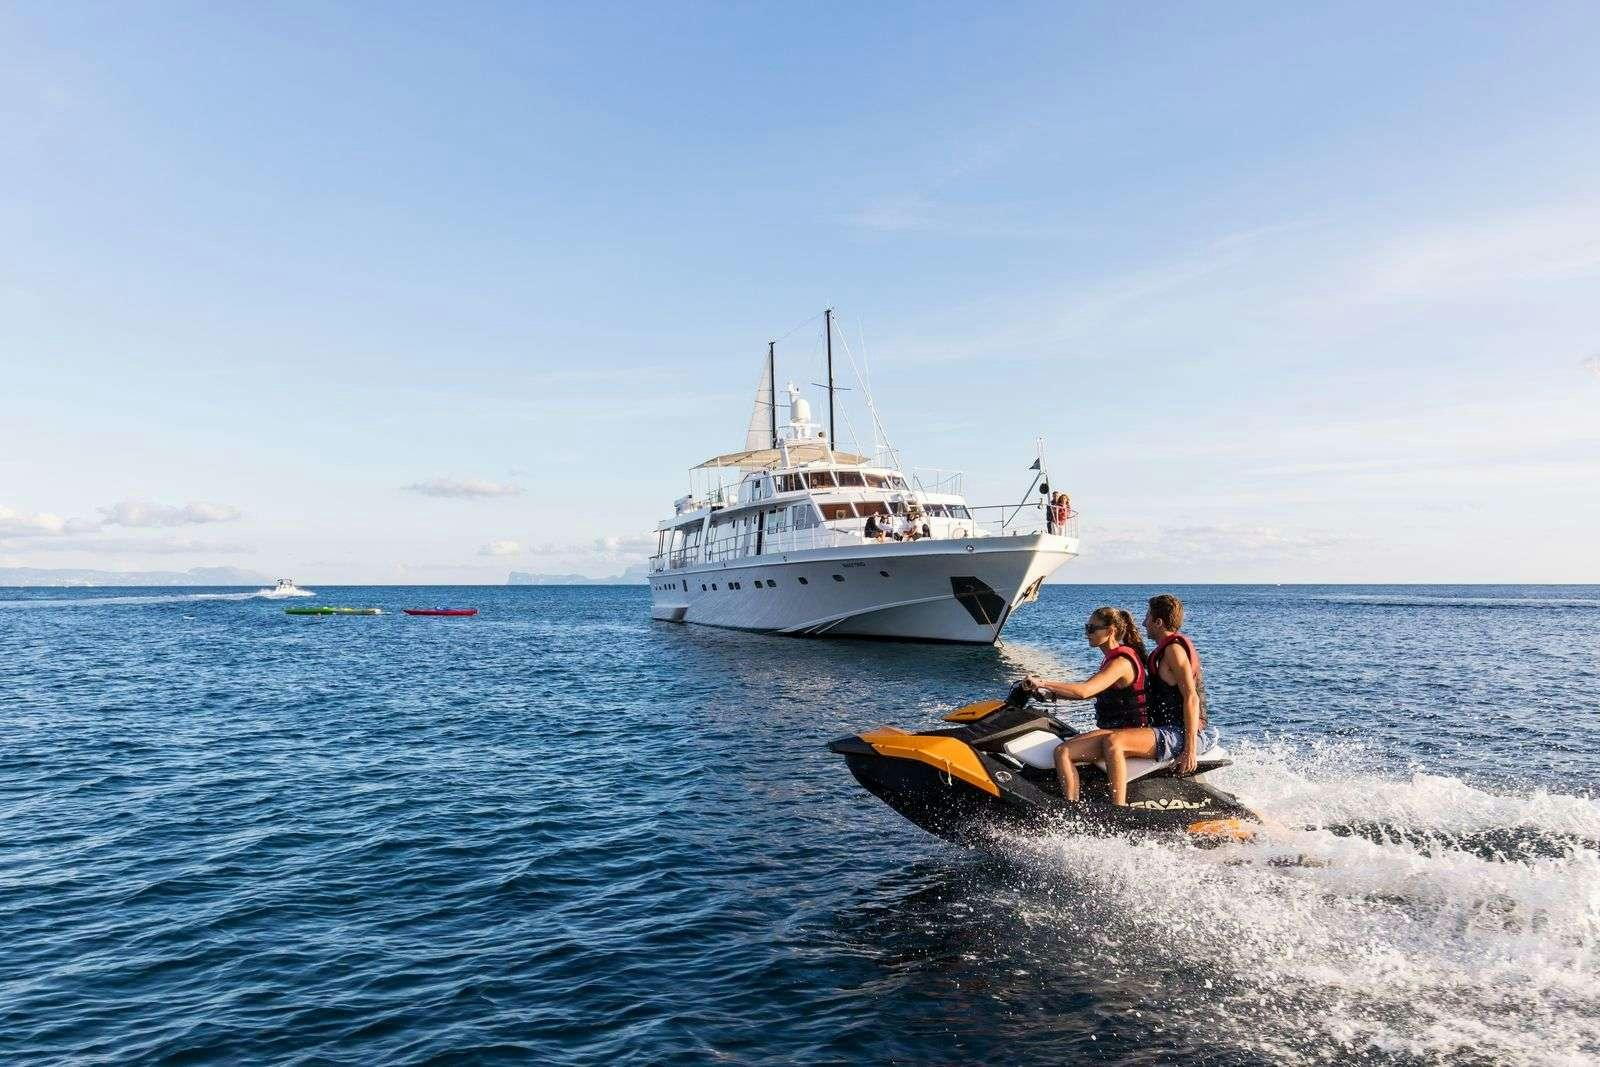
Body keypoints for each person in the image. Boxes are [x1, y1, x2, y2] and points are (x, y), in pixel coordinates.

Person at [1023, 606, 1153, 806]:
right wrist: (1050, 694)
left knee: (1063, 752)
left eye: (1092, 629)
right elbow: (1089, 692)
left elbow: (1084, 691)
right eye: (1086, 628)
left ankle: (1072, 808)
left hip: (1128, 732)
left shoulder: (1121, 662)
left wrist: (1043, 682)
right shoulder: (1111, 659)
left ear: (1110, 631)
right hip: (1116, 730)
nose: (1087, 634)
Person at [1142, 593, 1217, 774]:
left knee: (1114, 742)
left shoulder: (1173, 651)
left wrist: (1189, 751)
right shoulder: (1164, 650)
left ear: (1158, 622)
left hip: (1180, 733)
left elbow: (1191, 698)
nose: (1144, 623)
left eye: (1147, 617)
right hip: (1168, 729)